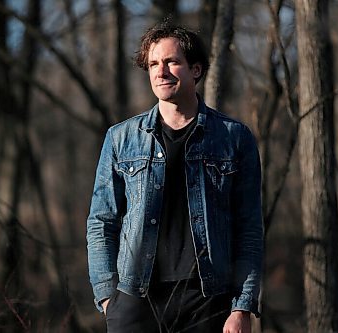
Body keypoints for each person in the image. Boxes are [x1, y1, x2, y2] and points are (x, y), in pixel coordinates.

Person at [87, 21, 263, 333]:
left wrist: (242, 306)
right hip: (135, 300)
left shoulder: (234, 138)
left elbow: (248, 227)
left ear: (195, 70)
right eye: (154, 63)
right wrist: (107, 297)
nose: (161, 71)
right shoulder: (121, 139)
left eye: (172, 62)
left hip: (208, 300)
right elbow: (102, 222)